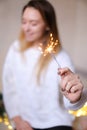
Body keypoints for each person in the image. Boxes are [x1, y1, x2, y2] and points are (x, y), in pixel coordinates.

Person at [2, 0, 87, 130]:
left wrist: (76, 98)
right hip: (24, 123)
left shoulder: (61, 57)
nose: (26, 28)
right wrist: (17, 120)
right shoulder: (16, 49)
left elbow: (71, 104)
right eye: (24, 22)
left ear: (47, 25)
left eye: (33, 23)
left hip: (57, 123)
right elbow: (9, 88)